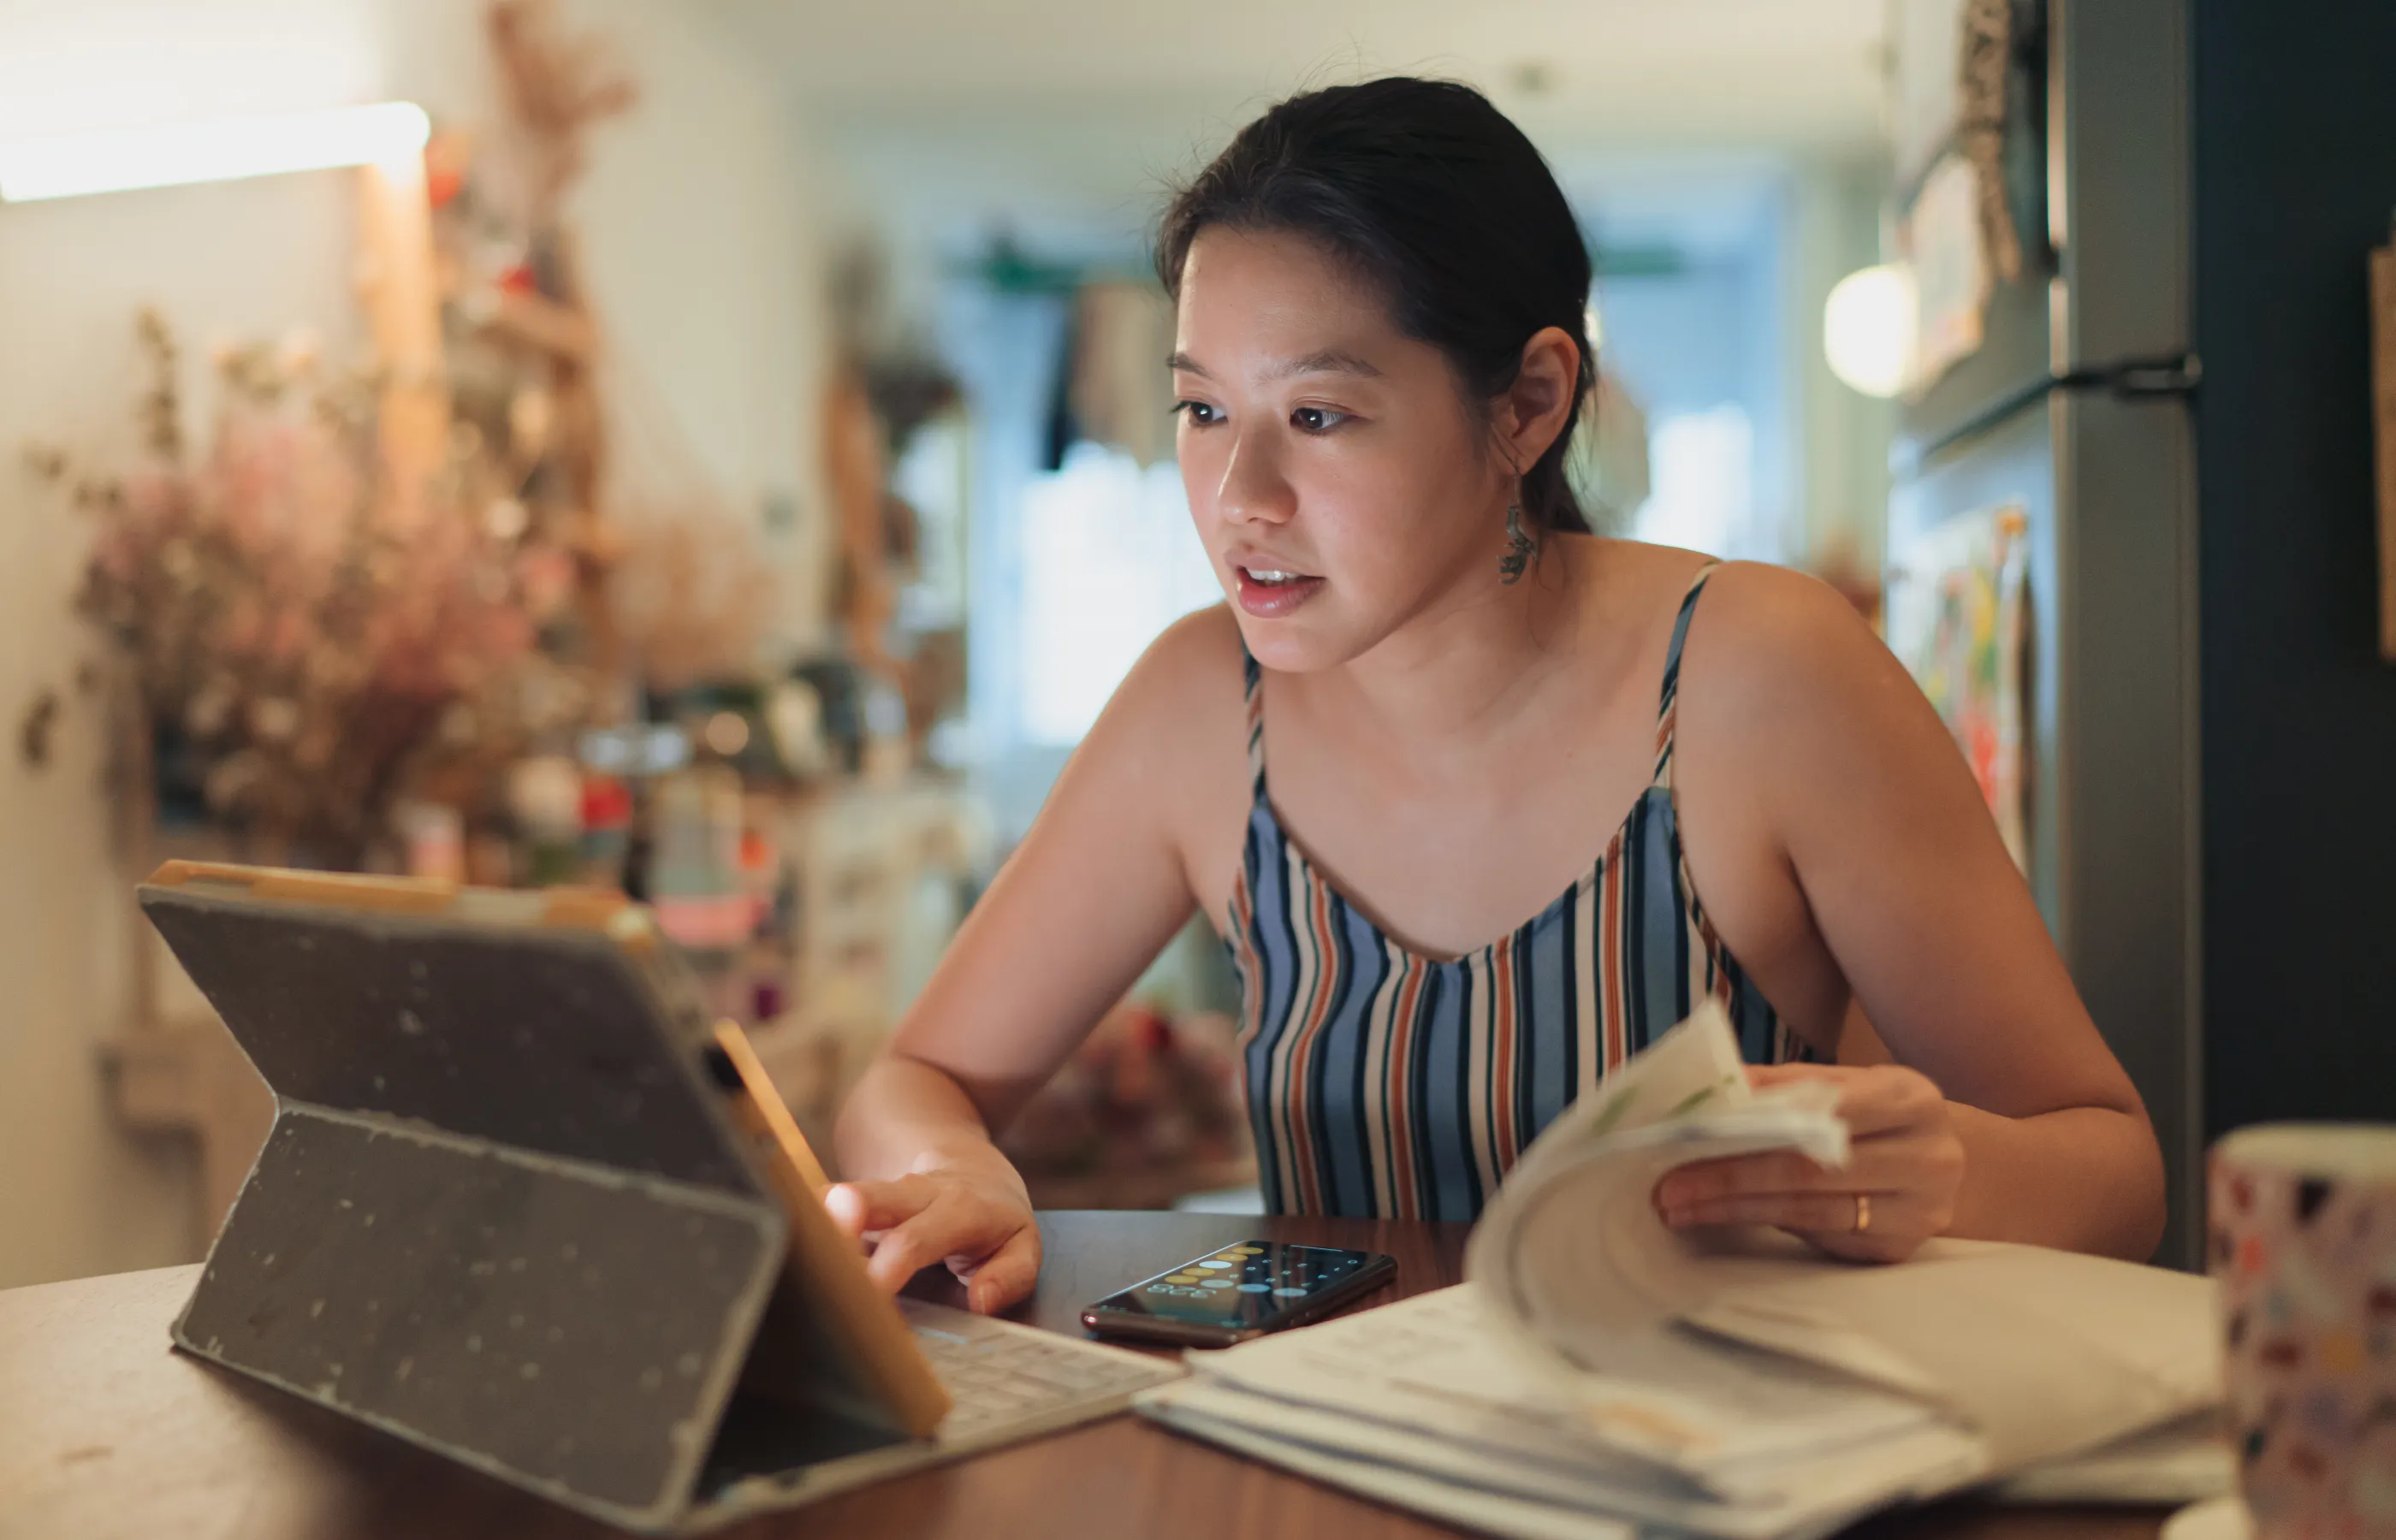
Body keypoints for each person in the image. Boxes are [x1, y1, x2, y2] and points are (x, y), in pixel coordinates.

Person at [827, 77, 2166, 1314]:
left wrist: (1936, 1174)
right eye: (1200, 412)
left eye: (1318, 417)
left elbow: (2114, 1173)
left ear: (1528, 402)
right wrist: (961, 1170)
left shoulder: (1759, 675)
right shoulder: (1200, 706)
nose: (1240, 501)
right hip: (1337, 1462)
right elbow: (914, 1081)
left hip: (1701, 1466)